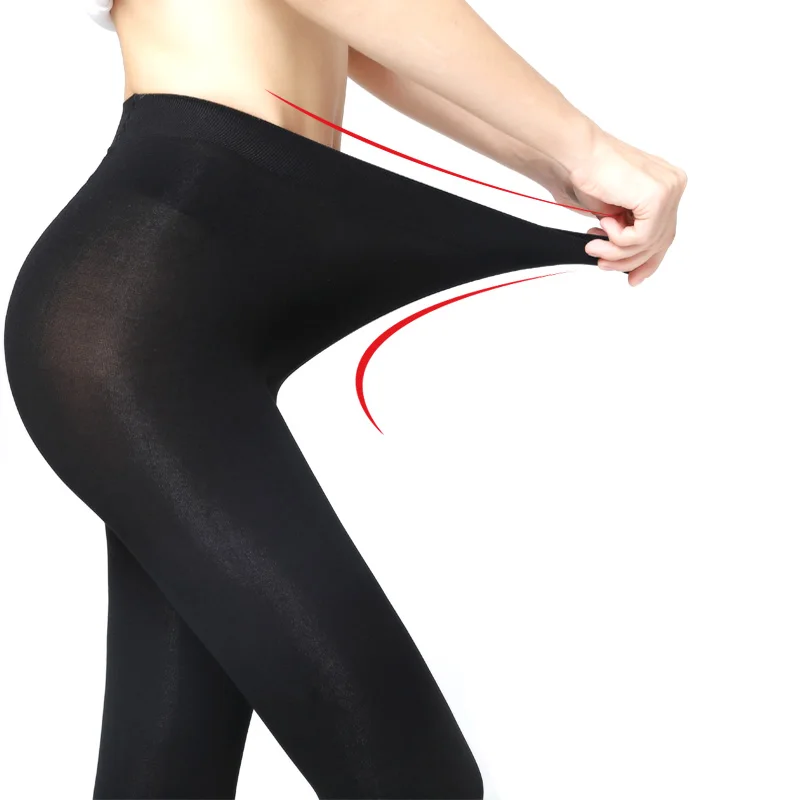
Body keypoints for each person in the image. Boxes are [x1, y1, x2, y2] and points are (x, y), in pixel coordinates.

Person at [4, 1, 687, 798]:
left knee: (166, 776)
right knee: (413, 781)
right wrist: (587, 146)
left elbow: (366, 36)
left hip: (192, 290)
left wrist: (553, 163)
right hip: (145, 299)